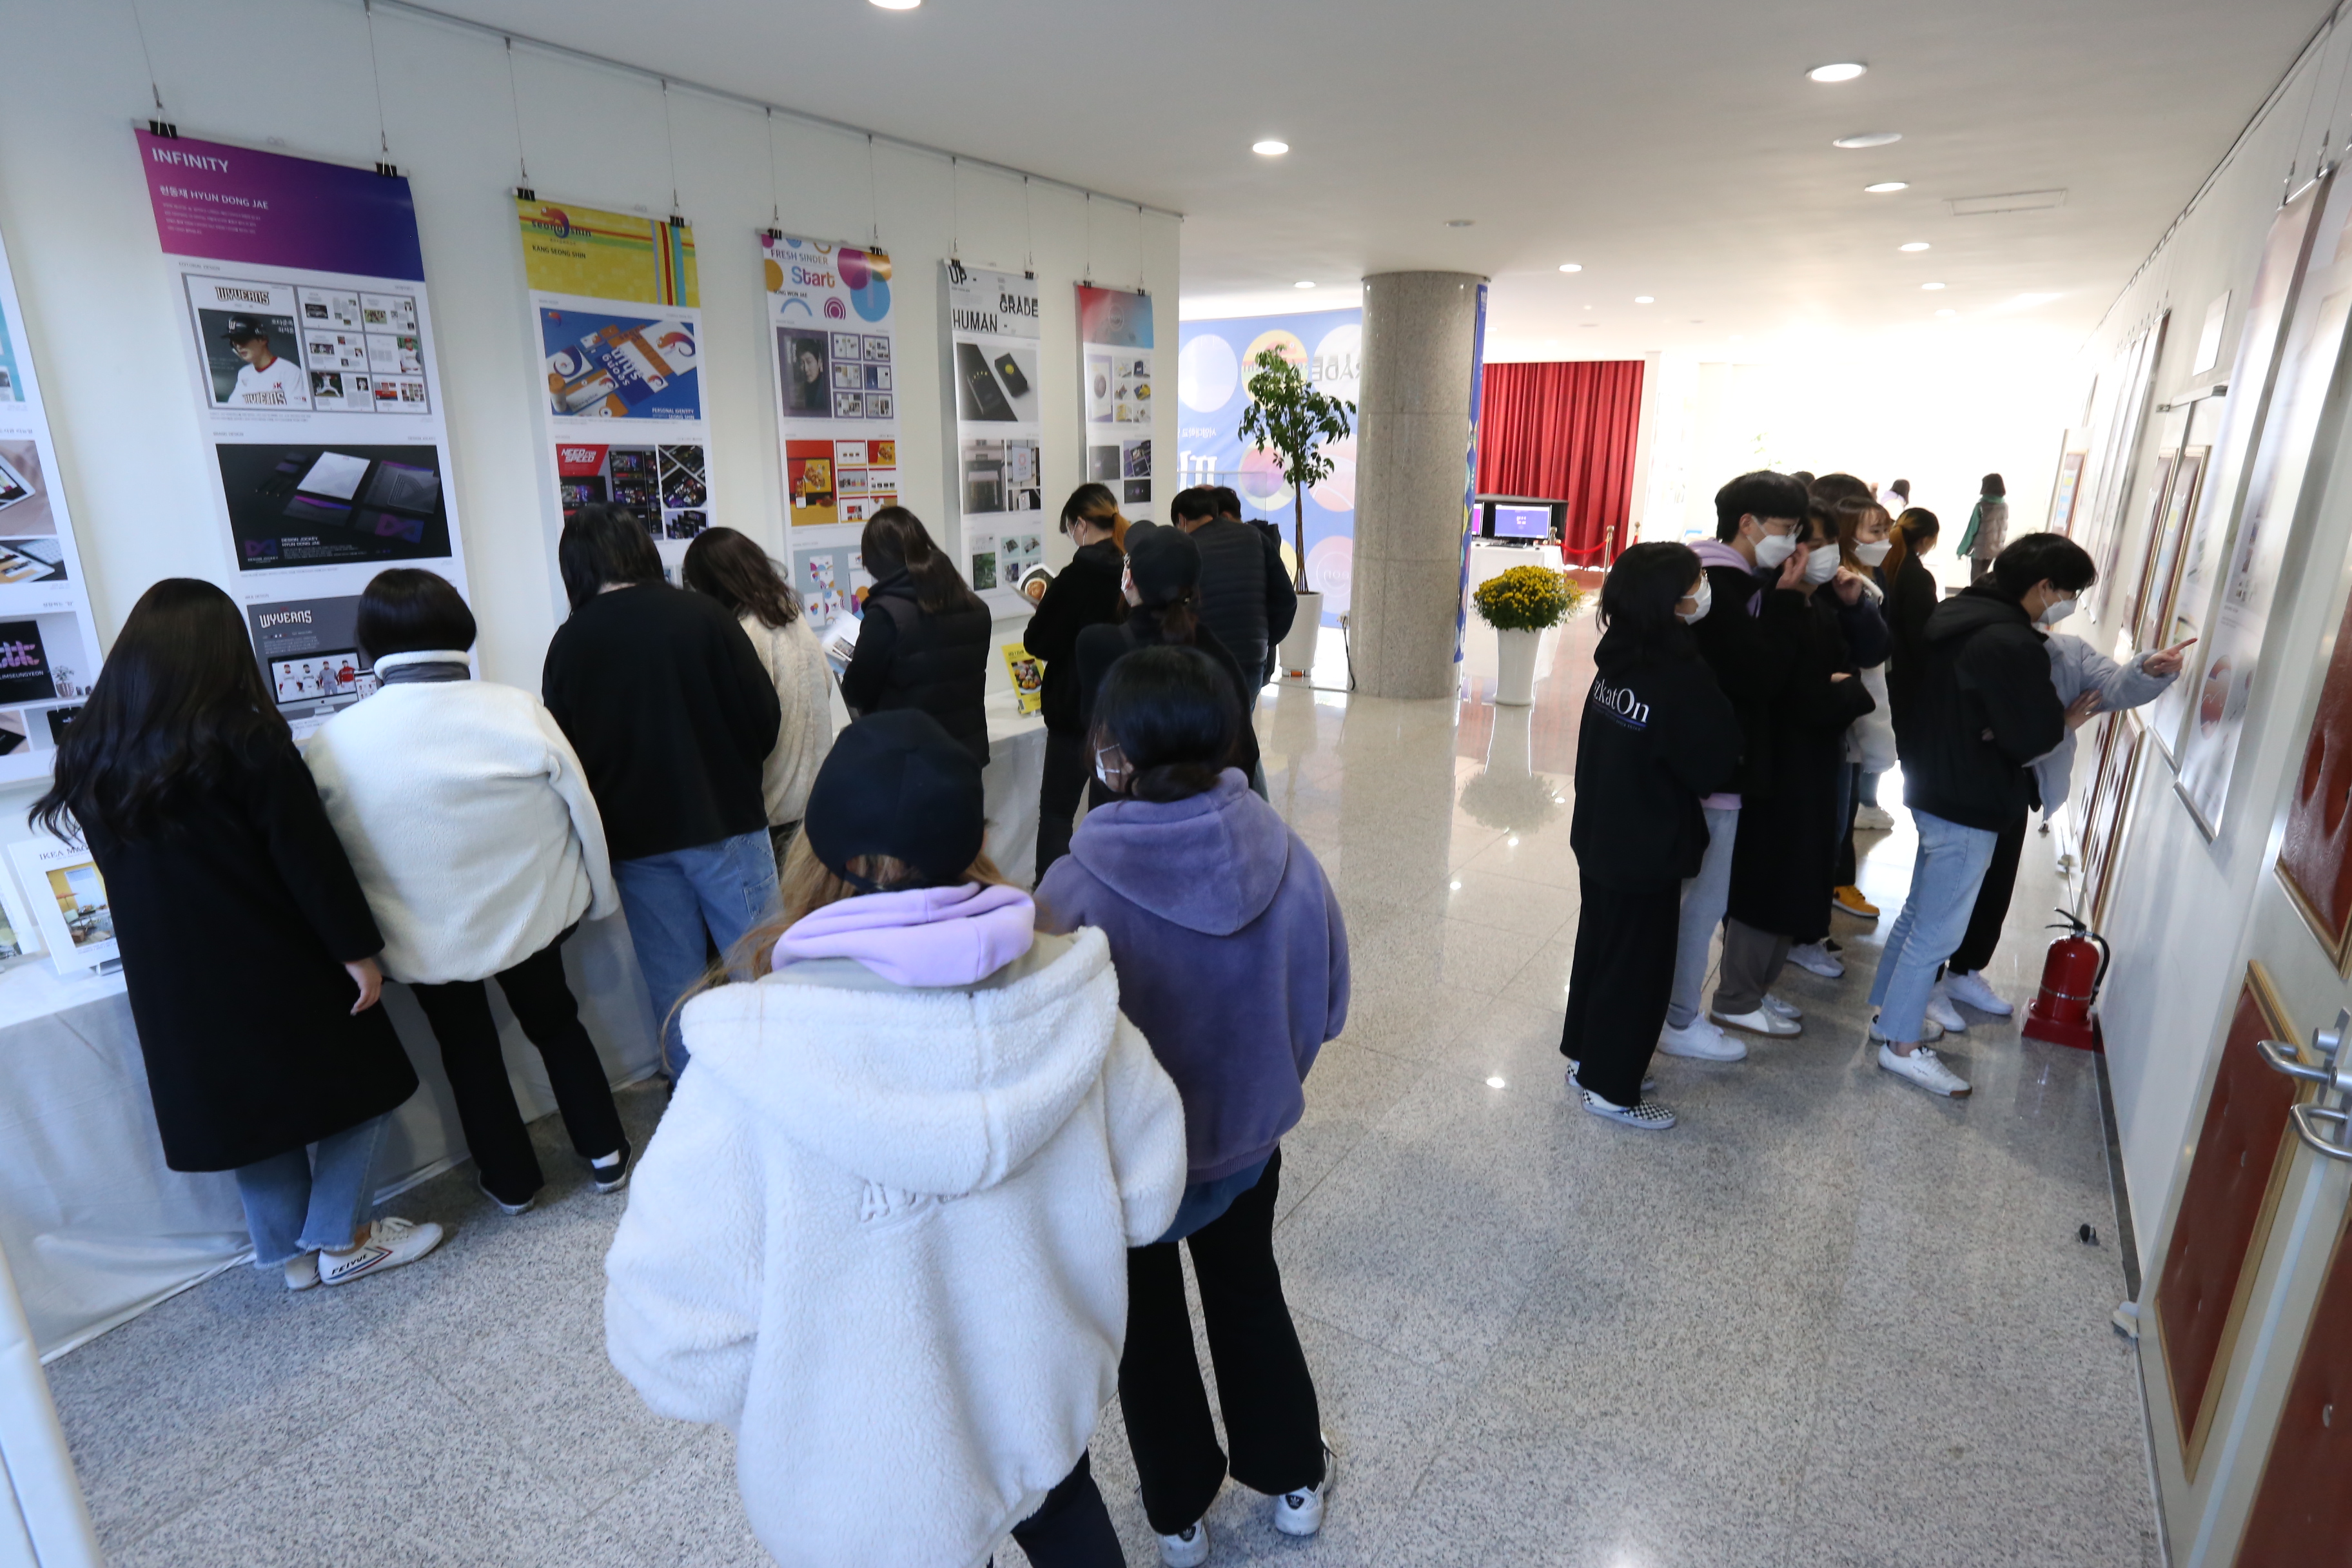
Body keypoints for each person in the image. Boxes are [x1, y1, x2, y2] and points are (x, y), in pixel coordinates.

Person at [605, 710, 1189, 1568]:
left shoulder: (748, 1063)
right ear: (976, 839)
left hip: (871, 1486)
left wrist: (804, 1385)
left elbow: (668, 1340)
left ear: (814, 851)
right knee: (1067, 1517)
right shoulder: (1073, 998)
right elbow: (1151, 1197)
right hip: (1043, 1407)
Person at [33, 579, 441, 1291]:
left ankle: (291, 1257)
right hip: (274, 960)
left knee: (247, 1118)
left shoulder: (90, 756)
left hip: (171, 981)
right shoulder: (247, 740)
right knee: (370, 1087)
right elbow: (309, 861)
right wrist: (357, 952)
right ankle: (345, 1239)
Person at [1037, 646, 1346, 1562]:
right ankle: (1293, 1476)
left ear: (1114, 750)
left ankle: (1178, 1513)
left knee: (1149, 1329)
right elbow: (1328, 1007)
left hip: (1124, 1163)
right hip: (1248, 1145)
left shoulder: (1073, 887)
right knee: (1250, 1291)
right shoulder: (1289, 856)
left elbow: (1048, 1054)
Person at [306, 570, 632, 1213]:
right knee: (556, 1022)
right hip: (529, 914)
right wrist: (601, 896)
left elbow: (329, 856)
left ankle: (512, 1181)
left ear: (369, 640)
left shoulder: (333, 742)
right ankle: (606, 1150)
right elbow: (583, 808)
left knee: (467, 1049)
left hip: (423, 933)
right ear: (461, 626)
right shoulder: (517, 709)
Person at [542, 504, 782, 1078]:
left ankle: (692, 1097)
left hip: (636, 843)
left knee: (674, 987)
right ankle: (782, 1085)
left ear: (576, 567)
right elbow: (764, 716)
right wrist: (733, 769)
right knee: (763, 969)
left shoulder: (570, 643)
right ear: (642, 550)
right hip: (726, 820)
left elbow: (566, 755)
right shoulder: (705, 616)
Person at [1869, 533, 2087, 1097]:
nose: (2069, 604)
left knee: (1919, 912)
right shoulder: (2012, 642)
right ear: (2044, 586)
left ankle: (1889, 1019)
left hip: (1933, 780)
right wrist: (2066, 721)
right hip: (1971, 795)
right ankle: (1902, 1047)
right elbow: (2030, 735)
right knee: (1937, 929)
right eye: (2069, 593)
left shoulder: (1958, 614)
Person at [1560, 544, 1743, 1129]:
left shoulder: (1619, 655)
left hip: (1601, 830)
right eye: (1696, 581)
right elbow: (1713, 763)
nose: (1703, 590)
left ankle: (1587, 1058)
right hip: (1645, 843)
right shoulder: (1680, 675)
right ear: (1671, 600)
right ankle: (1612, 1089)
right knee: (1637, 968)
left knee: (1600, 949)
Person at [1933, 629, 2192, 1022]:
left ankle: (1964, 971)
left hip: (2018, 785)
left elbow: (2112, 687)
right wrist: (2062, 723)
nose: (2062, 603)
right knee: (1952, 887)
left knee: (1996, 885)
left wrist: (2147, 670)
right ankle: (1927, 983)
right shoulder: (1981, 637)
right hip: (1970, 780)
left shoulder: (2069, 651)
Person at [1664, 469, 1812, 1063]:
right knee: (1700, 904)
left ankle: (1673, 1014)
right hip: (1714, 773)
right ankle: (1677, 1019)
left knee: (1695, 901)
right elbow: (1759, 675)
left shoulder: (1718, 578)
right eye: (1786, 528)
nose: (1792, 542)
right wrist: (1787, 603)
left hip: (1709, 767)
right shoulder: (1719, 586)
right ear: (1746, 523)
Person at [1719, 500, 1884, 1018]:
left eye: (1830, 542)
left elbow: (1858, 663)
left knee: (1798, 874)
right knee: (1767, 879)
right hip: (1777, 767)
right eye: (1811, 542)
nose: (1824, 553)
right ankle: (1738, 997)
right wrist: (1846, 691)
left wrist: (1841, 680)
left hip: (1813, 764)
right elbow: (1794, 695)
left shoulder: (1822, 606)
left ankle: (1757, 990)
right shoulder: (1772, 603)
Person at [1075, 522, 1262, 803]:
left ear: (1129, 579)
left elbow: (1090, 726)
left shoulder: (1098, 643)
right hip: (1200, 810)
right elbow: (1244, 753)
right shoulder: (1219, 655)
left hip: (1123, 811)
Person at [681, 527, 835, 859]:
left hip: (773, 805)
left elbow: (741, 725)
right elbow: (825, 683)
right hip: (816, 796)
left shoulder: (743, 634)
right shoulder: (791, 617)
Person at [1024, 485, 1130, 880]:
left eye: (1070, 529)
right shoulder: (1129, 568)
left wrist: (1045, 611)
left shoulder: (1075, 577)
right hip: (1119, 709)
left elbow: (1039, 642)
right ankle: (1104, 891)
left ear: (1081, 525)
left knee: (1056, 813)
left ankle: (1051, 896)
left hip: (1073, 711)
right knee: (1108, 812)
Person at [840, 506, 993, 766]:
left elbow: (858, 692)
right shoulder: (975, 606)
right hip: (965, 754)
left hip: (909, 761)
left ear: (875, 561)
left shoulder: (885, 615)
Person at [1815, 476, 1899, 919]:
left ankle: (1832, 890)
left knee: (1842, 813)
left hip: (1854, 712)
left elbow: (1877, 648)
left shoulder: (1865, 580)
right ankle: (1818, 905)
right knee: (1828, 816)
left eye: (1886, 530)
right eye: (1875, 531)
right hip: (1831, 716)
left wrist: (1859, 606)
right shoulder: (1821, 583)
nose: (1884, 540)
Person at [1170, 485, 1296, 700]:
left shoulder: (1185, 548)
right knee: (1242, 719)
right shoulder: (1256, 537)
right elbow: (1286, 599)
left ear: (1182, 521)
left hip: (1203, 660)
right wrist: (1266, 638)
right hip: (1251, 658)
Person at [1883, 507, 1944, 733]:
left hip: (1879, 662)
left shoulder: (1879, 565)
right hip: (1903, 671)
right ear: (1927, 540)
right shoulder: (1917, 576)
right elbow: (1921, 633)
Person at [221, 317, 305, 407]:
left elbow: (299, 410)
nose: (238, 346)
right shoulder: (244, 373)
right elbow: (233, 407)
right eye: (233, 342)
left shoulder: (290, 372)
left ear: (263, 339)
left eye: (242, 339)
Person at [1955, 473, 2009, 584]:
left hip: (1979, 550)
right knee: (1984, 577)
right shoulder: (2004, 507)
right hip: (1994, 549)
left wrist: (1961, 550)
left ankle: (1973, 594)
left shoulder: (1981, 506)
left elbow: (1971, 531)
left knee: (1975, 579)